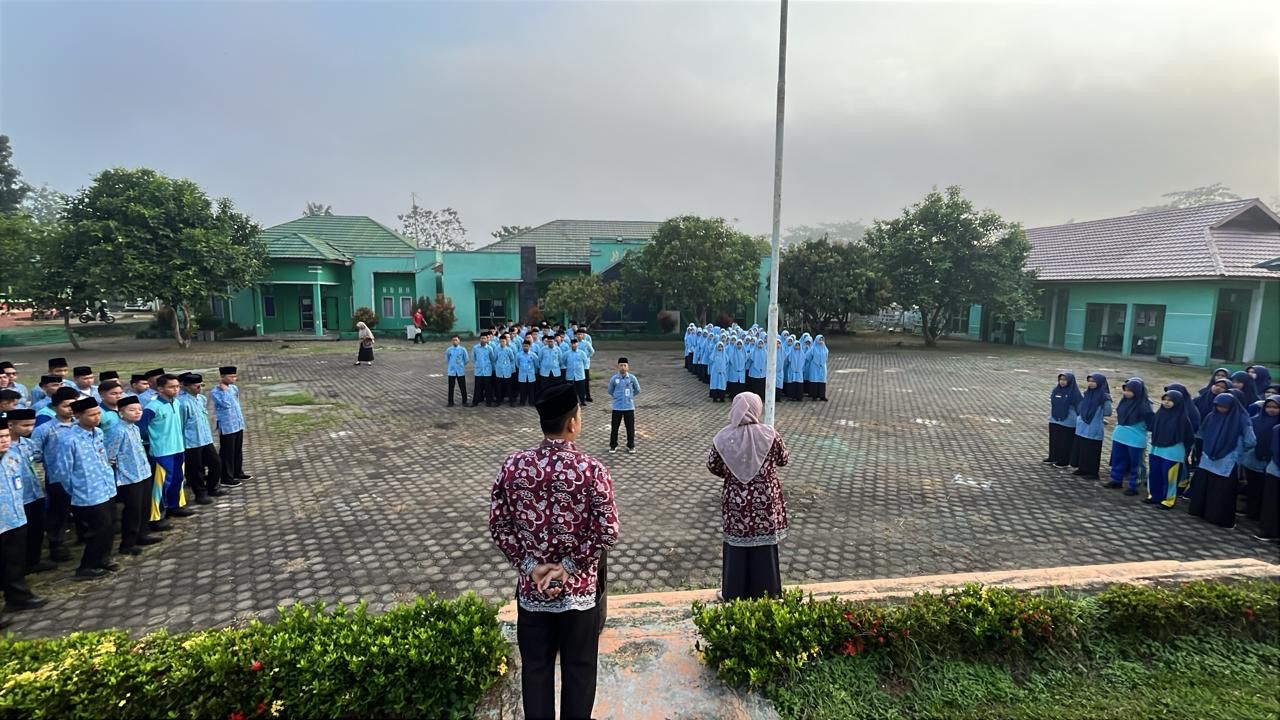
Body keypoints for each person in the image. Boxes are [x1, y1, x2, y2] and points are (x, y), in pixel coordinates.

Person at [488, 383, 619, 720]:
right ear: (573, 422)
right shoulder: (592, 470)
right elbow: (608, 530)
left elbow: (499, 525)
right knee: (578, 669)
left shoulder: (514, 465)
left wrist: (530, 565)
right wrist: (569, 566)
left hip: (533, 590)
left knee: (536, 670)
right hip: (578, 593)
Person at [706, 393, 789, 601]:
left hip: (736, 501)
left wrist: (735, 473)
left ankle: (733, 593)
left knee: (737, 545)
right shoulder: (771, 434)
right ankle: (768, 592)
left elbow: (713, 466)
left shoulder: (723, 437)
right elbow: (783, 459)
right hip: (766, 501)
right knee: (765, 547)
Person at [54, 398, 119, 579]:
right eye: (91, 415)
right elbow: (63, 471)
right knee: (98, 528)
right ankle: (86, 566)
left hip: (106, 487)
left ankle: (103, 558)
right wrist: (75, 490)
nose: (97, 418)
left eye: (98, 413)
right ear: (77, 415)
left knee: (110, 524)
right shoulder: (68, 440)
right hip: (87, 493)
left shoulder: (97, 433)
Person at [1190, 393, 1256, 528]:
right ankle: (1201, 511)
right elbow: (1202, 433)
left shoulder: (1241, 419)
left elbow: (1250, 441)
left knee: (1222, 490)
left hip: (1228, 459)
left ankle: (1217, 518)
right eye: (1218, 406)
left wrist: (1238, 452)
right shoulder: (1211, 416)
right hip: (1208, 457)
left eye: (1224, 407)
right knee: (1205, 486)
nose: (1221, 409)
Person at [107, 396, 161, 555]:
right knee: (133, 509)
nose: (137, 413)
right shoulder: (117, 430)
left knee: (145, 506)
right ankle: (127, 544)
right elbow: (110, 455)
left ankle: (143, 534)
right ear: (120, 412)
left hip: (143, 473)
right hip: (128, 477)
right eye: (132, 410)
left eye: (139, 409)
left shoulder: (135, 428)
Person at [31, 387, 80, 562]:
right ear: (55, 407)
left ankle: (84, 535)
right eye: (67, 405)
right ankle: (56, 543)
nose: (71, 409)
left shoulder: (80, 425)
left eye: (74, 405)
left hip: (82, 475)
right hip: (57, 477)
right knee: (58, 511)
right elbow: (34, 452)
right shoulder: (45, 429)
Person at [139, 374, 194, 522]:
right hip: (161, 452)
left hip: (178, 448)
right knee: (161, 484)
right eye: (171, 387)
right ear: (160, 388)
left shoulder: (176, 403)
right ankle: (158, 516)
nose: (175, 389)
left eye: (177, 386)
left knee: (177, 479)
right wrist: (153, 441)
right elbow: (141, 429)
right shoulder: (152, 407)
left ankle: (175, 506)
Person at [6, 409, 53, 574]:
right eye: (25, 425)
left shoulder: (28, 444)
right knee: (19, 537)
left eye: (32, 425)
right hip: (16, 498)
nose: (29, 429)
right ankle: (19, 567)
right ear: (10, 425)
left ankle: (34, 561)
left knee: (36, 530)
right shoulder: (4, 448)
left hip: (34, 492)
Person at [178, 373, 223, 505]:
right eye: (196, 385)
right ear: (185, 386)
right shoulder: (182, 403)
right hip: (191, 441)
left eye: (201, 385)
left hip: (205, 438)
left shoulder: (201, 399)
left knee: (216, 463)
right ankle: (200, 494)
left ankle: (212, 487)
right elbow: (180, 424)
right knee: (196, 470)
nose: (199, 388)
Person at [1147, 389, 1195, 509]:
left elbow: (1189, 437)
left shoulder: (1183, 418)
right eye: (1165, 399)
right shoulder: (1160, 414)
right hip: (1156, 449)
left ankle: (1168, 500)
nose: (1166, 402)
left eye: (1170, 400)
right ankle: (1154, 496)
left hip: (1173, 452)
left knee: (1169, 477)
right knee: (1154, 473)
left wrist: (1184, 451)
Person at [1106, 378, 1153, 496]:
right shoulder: (1124, 402)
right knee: (1118, 459)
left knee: (1136, 463)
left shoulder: (1145, 405)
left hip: (1135, 439)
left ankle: (1134, 485)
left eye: (1130, 390)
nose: (1126, 393)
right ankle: (1116, 479)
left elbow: (1151, 424)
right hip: (1120, 435)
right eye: (1125, 390)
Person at [1241, 397, 1279, 524]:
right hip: (1253, 460)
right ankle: (1250, 510)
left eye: (1275, 407)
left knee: (1265, 490)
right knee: (1253, 486)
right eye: (1269, 407)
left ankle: (1259, 513)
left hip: (1270, 462)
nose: (1272, 410)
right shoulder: (1256, 420)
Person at [212, 366, 251, 485]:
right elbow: (226, 404)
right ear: (222, 377)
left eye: (235, 376)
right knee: (227, 452)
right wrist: (224, 391)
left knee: (237, 450)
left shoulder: (234, 388)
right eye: (231, 376)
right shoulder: (216, 392)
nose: (234, 378)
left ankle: (237, 471)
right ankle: (226, 477)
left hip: (237, 423)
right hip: (227, 425)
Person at [1045, 372, 1081, 468]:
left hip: (1068, 421)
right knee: (1054, 440)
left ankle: (1064, 461)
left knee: (1065, 442)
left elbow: (1079, 408)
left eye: (1065, 380)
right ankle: (1053, 457)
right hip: (1055, 419)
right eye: (1061, 379)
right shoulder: (1056, 390)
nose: (1062, 382)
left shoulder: (1074, 393)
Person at [608, 358, 641, 454]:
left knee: (630, 428)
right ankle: (613, 446)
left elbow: (637, 389)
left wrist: (630, 396)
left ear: (628, 367)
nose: (623, 367)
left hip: (629, 407)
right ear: (618, 366)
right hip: (617, 407)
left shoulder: (632, 378)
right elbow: (610, 390)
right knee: (615, 427)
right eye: (621, 365)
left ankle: (631, 445)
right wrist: (617, 397)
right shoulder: (614, 378)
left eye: (625, 365)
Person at [1257, 422, 1280, 542]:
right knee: (1271, 503)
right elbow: (1275, 450)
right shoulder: (1277, 429)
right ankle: (1269, 532)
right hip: (1276, 470)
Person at [472, 333, 495, 408]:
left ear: (487, 339)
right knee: (477, 387)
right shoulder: (475, 348)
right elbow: (474, 358)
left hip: (487, 370)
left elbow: (492, 359)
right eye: (482, 338)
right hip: (478, 371)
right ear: (479, 339)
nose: (483, 340)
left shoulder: (489, 348)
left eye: (484, 338)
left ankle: (489, 402)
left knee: (488, 387)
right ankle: (475, 402)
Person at [445, 336, 469, 407]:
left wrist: (461, 365)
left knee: (463, 386)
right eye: (453, 340)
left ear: (459, 341)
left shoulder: (462, 349)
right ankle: (450, 402)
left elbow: (466, 360)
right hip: (451, 371)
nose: (454, 341)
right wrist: (452, 365)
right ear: (451, 341)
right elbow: (447, 359)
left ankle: (465, 401)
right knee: (451, 387)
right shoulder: (449, 350)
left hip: (460, 371)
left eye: (456, 340)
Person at [493, 334, 517, 407]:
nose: (502, 343)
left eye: (503, 341)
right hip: (499, 370)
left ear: (506, 341)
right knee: (499, 386)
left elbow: (512, 359)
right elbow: (494, 359)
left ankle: (511, 401)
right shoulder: (496, 349)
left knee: (509, 386)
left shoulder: (509, 350)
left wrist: (511, 368)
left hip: (507, 370)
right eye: (500, 341)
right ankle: (498, 400)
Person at [516, 339, 540, 407]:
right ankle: (522, 401)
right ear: (522, 346)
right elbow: (517, 364)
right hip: (522, 374)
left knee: (531, 389)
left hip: (531, 374)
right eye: (524, 346)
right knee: (522, 389)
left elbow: (536, 364)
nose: (525, 347)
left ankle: (531, 402)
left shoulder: (533, 355)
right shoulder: (519, 354)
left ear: (529, 346)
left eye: (526, 346)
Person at [807, 335, 829, 401]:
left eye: (822, 339)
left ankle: (822, 396)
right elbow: (808, 356)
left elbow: (826, 357)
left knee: (822, 381)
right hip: (814, 366)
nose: (821, 341)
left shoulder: (825, 348)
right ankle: (814, 396)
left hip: (822, 367)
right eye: (820, 339)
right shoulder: (813, 348)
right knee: (815, 380)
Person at [576, 328, 595, 403]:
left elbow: (592, 351)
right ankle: (580, 396)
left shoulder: (586, 343)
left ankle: (588, 396)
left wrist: (586, 357)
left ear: (583, 335)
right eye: (578, 334)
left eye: (580, 334)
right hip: (578, 366)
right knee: (579, 382)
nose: (579, 336)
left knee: (586, 381)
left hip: (585, 365)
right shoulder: (575, 343)